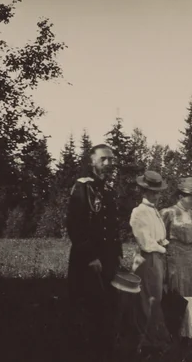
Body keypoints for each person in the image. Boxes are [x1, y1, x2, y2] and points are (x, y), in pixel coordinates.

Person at [64, 144, 123, 360]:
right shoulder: (83, 187)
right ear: (92, 162)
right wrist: (90, 257)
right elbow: (74, 225)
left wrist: (117, 254)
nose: (108, 163)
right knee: (87, 308)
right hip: (87, 260)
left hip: (107, 259)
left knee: (106, 307)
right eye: (103, 159)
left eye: (111, 159)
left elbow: (112, 227)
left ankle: (105, 352)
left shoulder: (107, 190)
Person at [128, 171, 173, 348]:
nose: (156, 195)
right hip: (147, 259)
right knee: (148, 299)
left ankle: (156, 338)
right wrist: (162, 248)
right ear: (143, 192)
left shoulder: (154, 212)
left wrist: (164, 244)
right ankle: (148, 340)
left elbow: (159, 236)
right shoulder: (139, 212)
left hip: (158, 257)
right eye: (152, 192)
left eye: (158, 192)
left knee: (156, 298)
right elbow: (146, 242)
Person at [161, 177, 192, 298]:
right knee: (177, 287)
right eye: (191, 199)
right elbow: (160, 237)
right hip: (174, 255)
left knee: (191, 287)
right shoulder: (168, 213)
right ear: (180, 197)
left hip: (190, 256)